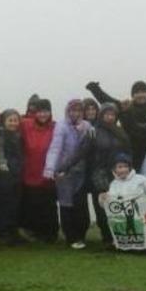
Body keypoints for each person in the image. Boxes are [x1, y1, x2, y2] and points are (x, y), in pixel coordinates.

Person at [44, 99, 94, 249]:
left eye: (79, 110)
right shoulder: (61, 126)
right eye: (73, 110)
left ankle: (81, 235)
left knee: (81, 205)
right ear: (68, 111)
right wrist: (50, 168)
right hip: (64, 172)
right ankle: (71, 237)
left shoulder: (87, 126)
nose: (75, 113)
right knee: (66, 205)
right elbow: (55, 147)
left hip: (81, 172)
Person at [82, 103, 132, 246]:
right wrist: (64, 167)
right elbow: (82, 152)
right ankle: (107, 237)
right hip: (98, 174)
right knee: (102, 207)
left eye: (112, 114)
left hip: (117, 174)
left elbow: (128, 151)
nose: (110, 117)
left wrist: (129, 168)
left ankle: (119, 236)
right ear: (101, 115)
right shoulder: (94, 131)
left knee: (118, 205)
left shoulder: (121, 131)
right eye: (107, 114)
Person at [20, 98, 59, 242]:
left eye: (46, 111)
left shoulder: (56, 127)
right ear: (35, 112)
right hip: (30, 172)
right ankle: (35, 233)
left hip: (49, 175)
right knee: (32, 204)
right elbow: (5, 118)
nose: (43, 115)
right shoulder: (25, 125)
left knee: (49, 206)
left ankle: (51, 234)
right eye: (40, 111)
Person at [0, 109, 28, 246]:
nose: (13, 123)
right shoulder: (0, 133)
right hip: (4, 175)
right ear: (4, 121)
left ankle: (13, 234)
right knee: (4, 206)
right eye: (10, 120)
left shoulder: (17, 134)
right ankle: (3, 236)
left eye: (15, 120)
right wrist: (2, 165)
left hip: (16, 174)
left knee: (14, 205)